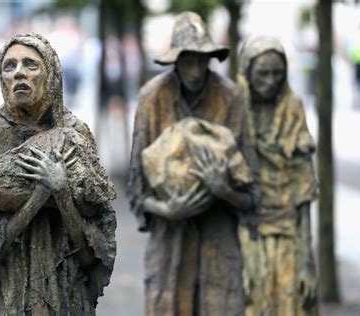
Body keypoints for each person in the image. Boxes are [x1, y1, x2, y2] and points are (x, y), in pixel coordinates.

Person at [0, 33, 116, 315]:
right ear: (1, 79)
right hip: (12, 291)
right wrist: (39, 196)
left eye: (30, 64)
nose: (19, 72)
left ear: (51, 74)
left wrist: (62, 193)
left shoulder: (75, 134)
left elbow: (89, 251)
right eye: (9, 66)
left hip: (66, 288)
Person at [127, 12, 260, 316]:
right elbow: (136, 189)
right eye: (188, 60)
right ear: (175, 60)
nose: (196, 70)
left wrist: (224, 189)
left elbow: (254, 195)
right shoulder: (152, 98)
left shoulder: (231, 98)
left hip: (219, 241)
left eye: (203, 60)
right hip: (169, 240)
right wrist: (167, 209)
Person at [237, 36, 318, 316]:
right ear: (247, 72)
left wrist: (308, 261)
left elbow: (304, 188)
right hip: (248, 235)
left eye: (277, 73)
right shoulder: (235, 109)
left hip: (289, 235)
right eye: (262, 73)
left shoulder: (292, 108)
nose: (270, 80)